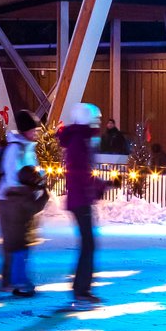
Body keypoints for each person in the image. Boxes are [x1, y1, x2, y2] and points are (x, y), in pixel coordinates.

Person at [0, 108, 42, 296]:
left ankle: (15, 278)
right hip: (10, 199)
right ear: (25, 130)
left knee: (23, 240)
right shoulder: (15, 148)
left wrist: (39, 182)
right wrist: (28, 187)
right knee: (14, 241)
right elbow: (12, 174)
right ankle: (12, 280)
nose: (36, 133)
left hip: (23, 199)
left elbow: (34, 171)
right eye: (33, 130)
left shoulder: (28, 148)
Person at [59, 102, 102, 306]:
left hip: (80, 198)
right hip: (80, 199)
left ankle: (82, 288)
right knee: (88, 244)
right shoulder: (79, 141)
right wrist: (99, 185)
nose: (98, 123)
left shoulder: (81, 140)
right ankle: (81, 289)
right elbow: (80, 174)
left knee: (88, 244)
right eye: (96, 119)